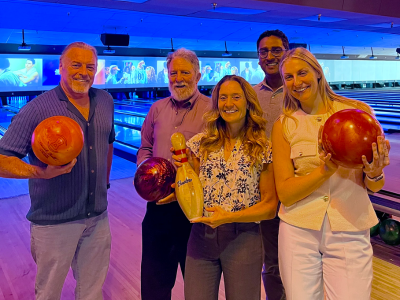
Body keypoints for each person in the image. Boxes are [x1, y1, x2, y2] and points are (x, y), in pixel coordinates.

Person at [273, 47, 390, 300]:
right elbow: (286, 193)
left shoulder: (358, 112)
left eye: (302, 73)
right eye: (288, 77)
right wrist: (325, 170)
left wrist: (375, 173)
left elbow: (375, 186)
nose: (297, 82)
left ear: (317, 72)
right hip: (298, 230)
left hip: (349, 225)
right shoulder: (285, 124)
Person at [0, 42, 115, 300]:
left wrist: (104, 185)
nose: (83, 72)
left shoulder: (106, 101)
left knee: (92, 292)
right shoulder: (38, 108)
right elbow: (2, 158)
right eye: (76, 65)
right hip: (54, 222)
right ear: (61, 67)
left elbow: (109, 143)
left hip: (98, 218)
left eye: (90, 66)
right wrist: (40, 173)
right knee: (49, 293)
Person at [172, 75, 278, 300]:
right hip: (201, 237)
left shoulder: (262, 148)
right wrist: (176, 185)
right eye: (223, 98)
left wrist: (229, 217)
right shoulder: (201, 144)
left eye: (236, 97)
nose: (228, 103)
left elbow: (269, 207)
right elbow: (190, 189)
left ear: (248, 102)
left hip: (244, 239)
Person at [137, 48, 211, 300]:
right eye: (173, 73)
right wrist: (144, 174)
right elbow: (145, 146)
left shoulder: (212, 110)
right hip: (158, 207)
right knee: (154, 281)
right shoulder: (157, 108)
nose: (178, 78)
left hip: (193, 208)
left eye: (185, 72)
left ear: (198, 75)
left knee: (197, 282)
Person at [253, 29, 289, 300]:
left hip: (299, 188)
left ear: (286, 53)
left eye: (276, 50)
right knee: (272, 261)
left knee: (305, 258)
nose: (269, 56)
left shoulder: (302, 89)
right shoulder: (251, 96)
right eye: (264, 51)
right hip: (265, 189)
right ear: (258, 58)